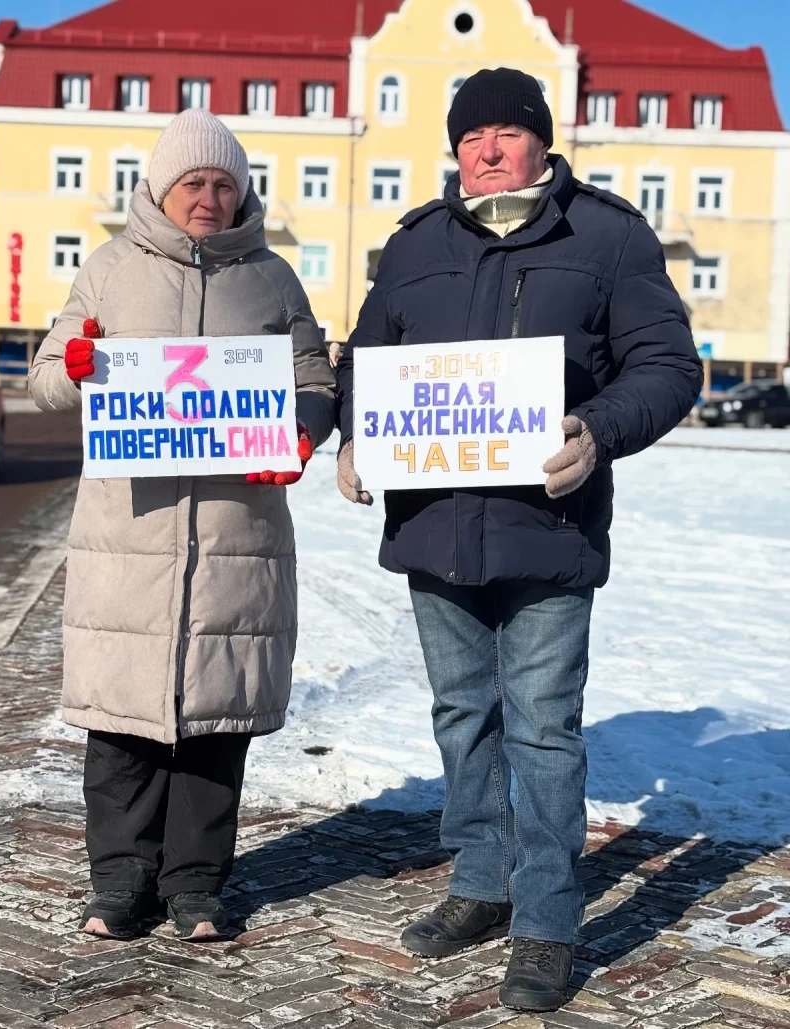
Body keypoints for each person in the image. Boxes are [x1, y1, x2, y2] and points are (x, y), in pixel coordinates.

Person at [335, 68, 701, 1012]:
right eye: (470, 137)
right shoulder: (414, 244)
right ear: (454, 150)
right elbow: (367, 361)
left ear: (542, 140)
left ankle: (545, 920)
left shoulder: (609, 235)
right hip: (433, 529)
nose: (488, 151)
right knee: (463, 715)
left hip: (548, 528)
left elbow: (667, 364)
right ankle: (482, 884)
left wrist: (599, 430)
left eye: (506, 133)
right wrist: (353, 434)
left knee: (542, 728)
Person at [29, 109, 335, 942]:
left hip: (237, 535)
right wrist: (79, 362)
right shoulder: (109, 269)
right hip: (130, 537)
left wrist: (304, 430)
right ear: (163, 189)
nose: (209, 197)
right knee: (122, 724)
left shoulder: (272, 279)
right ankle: (119, 886)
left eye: (223, 184)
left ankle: (197, 887)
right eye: (194, 183)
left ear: (241, 194)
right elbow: (48, 378)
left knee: (215, 724)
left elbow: (314, 375)